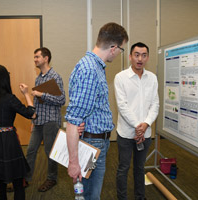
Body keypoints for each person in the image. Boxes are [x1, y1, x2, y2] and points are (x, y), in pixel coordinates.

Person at [65, 22, 128, 200]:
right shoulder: (90, 70)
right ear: (114, 48)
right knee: (90, 195)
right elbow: (73, 120)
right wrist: (73, 162)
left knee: (89, 193)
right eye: (121, 49)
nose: (118, 54)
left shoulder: (93, 66)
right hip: (91, 146)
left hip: (95, 143)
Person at [0, 64, 36, 200]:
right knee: (18, 182)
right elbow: (31, 114)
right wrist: (26, 94)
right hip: (9, 141)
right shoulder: (9, 98)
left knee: (0, 182)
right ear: (4, 79)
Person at [114, 42, 159, 200]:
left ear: (147, 57)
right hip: (126, 134)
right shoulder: (120, 78)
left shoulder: (152, 78)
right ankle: (122, 197)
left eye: (144, 55)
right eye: (137, 54)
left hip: (145, 134)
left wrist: (145, 124)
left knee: (140, 168)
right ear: (130, 57)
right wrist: (137, 126)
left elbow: (155, 104)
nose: (140, 58)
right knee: (123, 168)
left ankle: (140, 197)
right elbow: (122, 106)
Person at [25, 47, 65, 192]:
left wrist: (42, 94)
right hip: (38, 121)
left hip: (51, 121)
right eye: (34, 57)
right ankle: (26, 178)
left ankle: (52, 179)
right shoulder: (39, 78)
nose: (35, 59)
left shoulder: (55, 76)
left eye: (37, 57)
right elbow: (36, 104)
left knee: (50, 152)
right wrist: (32, 121)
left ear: (46, 58)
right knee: (30, 150)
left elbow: (62, 100)